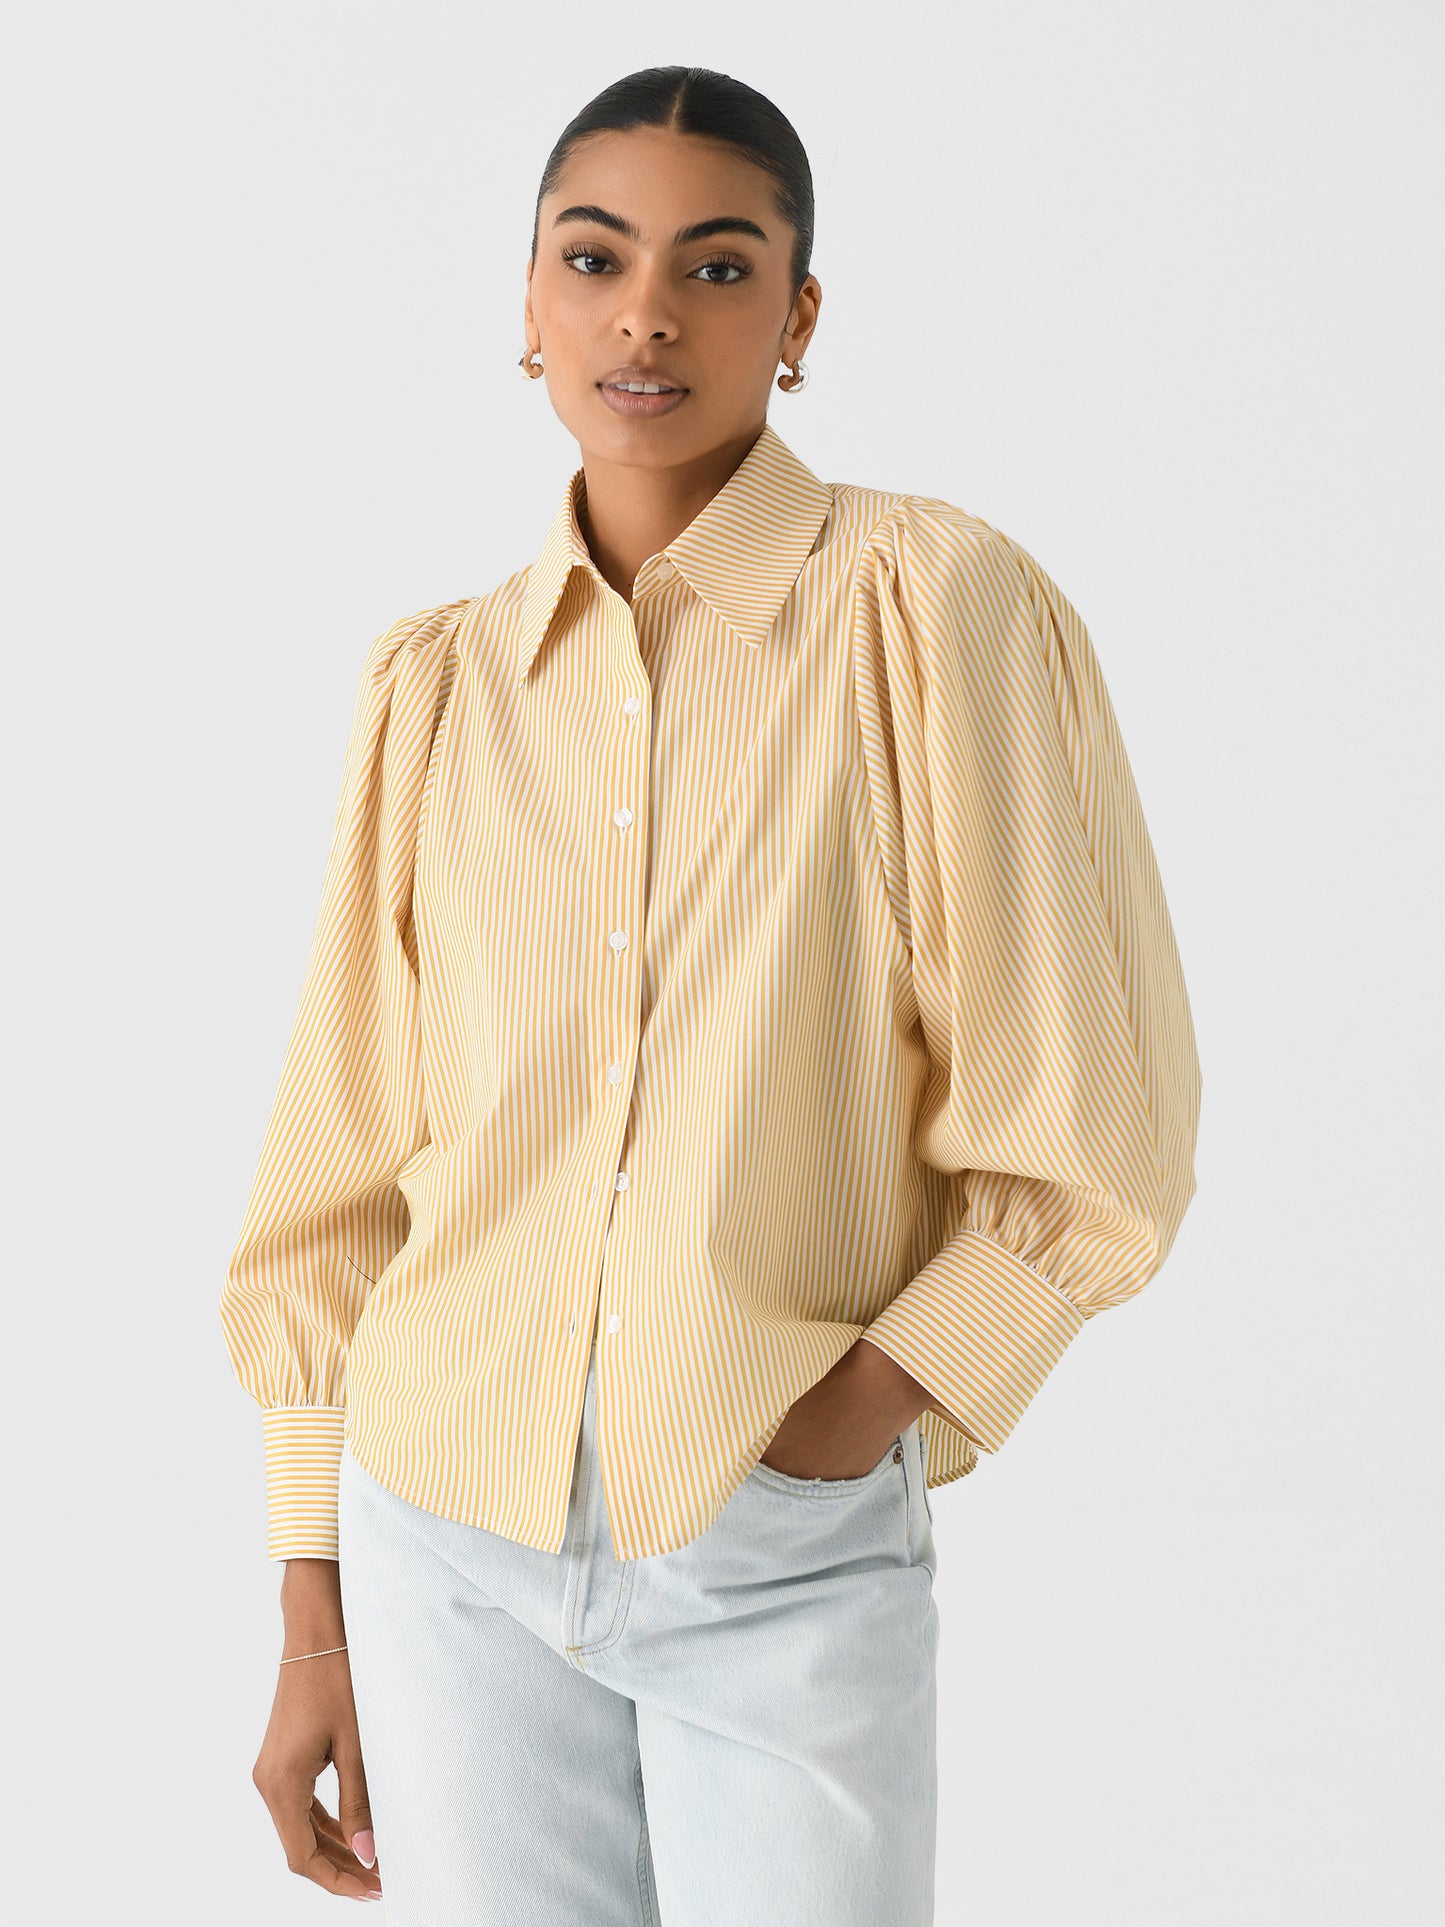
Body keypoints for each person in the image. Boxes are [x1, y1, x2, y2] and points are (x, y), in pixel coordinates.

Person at [220, 63, 1202, 1926]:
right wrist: (311, 1613)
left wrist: (861, 1410)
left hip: (772, 1535)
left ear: (799, 316)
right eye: (593, 259)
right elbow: (330, 1180)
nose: (646, 314)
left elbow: (1096, 1110)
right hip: (443, 1540)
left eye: (719, 266)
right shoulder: (435, 689)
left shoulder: (930, 610)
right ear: (528, 303)